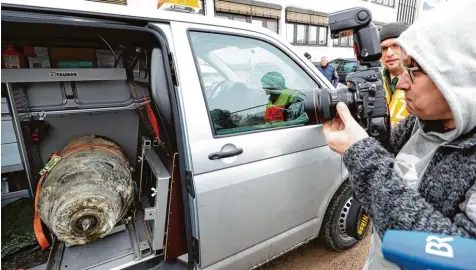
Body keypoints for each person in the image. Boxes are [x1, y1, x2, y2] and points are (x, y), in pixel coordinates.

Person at [322, 1, 476, 269]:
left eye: (414, 70)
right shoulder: (419, 123)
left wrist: (360, 151)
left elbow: (457, 255)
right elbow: (382, 169)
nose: (403, 82)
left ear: (459, 74)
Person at [379, 21, 410, 128]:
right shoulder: (376, 83)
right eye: (384, 48)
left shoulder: (424, 83)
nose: (389, 53)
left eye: (396, 45)